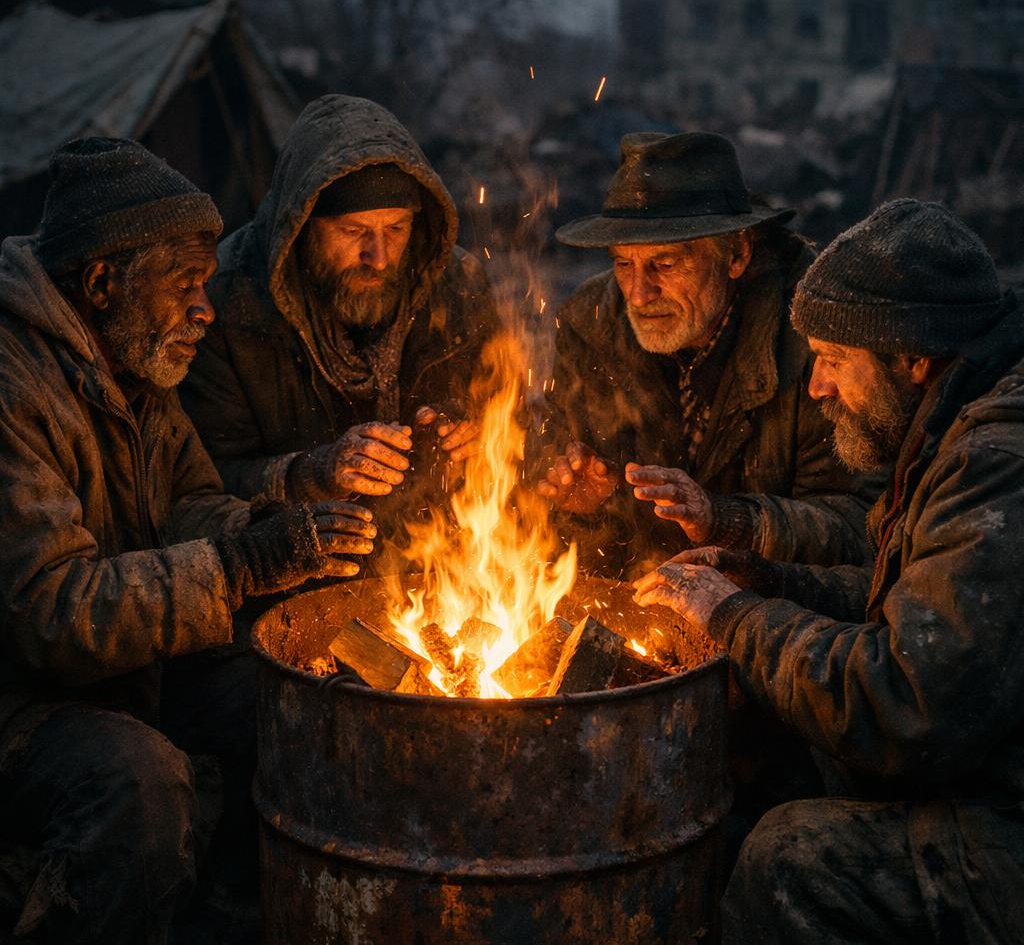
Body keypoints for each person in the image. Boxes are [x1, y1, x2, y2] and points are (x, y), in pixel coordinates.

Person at [0, 137, 376, 944]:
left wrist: (279, 543)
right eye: (186, 286)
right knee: (142, 783)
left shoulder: (130, 362)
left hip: (127, 673)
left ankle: (232, 918)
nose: (204, 308)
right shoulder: (14, 386)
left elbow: (192, 504)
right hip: (24, 700)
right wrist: (242, 566)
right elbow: (51, 615)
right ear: (103, 283)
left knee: (288, 694)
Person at [636, 199, 1024, 943]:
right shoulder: (949, 423)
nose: (815, 388)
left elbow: (905, 704)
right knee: (765, 754)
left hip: (1006, 820)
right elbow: (905, 601)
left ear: (913, 359)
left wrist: (732, 616)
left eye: (834, 361)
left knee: (789, 861)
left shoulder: (996, 466)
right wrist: (774, 585)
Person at [180, 94, 501, 568]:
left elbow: (514, 424)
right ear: (303, 225)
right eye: (354, 232)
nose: (380, 257)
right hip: (293, 576)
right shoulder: (224, 302)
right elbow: (196, 486)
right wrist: (316, 472)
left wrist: (474, 431)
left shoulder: (455, 285)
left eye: (396, 229)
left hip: (437, 570)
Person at [538, 131, 875, 579]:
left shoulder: (816, 336)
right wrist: (582, 509)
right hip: (644, 612)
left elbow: (861, 525)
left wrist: (726, 521)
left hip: (773, 616)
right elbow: (551, 533)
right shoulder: (590, 323)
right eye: (623, 264)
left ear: (736, 254)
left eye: (666, 264)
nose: (639, 294)